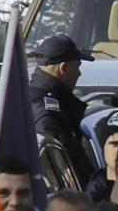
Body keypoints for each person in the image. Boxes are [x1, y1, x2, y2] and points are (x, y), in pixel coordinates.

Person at [29, 33, 96, 190]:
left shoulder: (34, 97)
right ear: (64, 68)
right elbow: (61, 167)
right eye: (78, 66)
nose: (79, 73)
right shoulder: (46, 111)